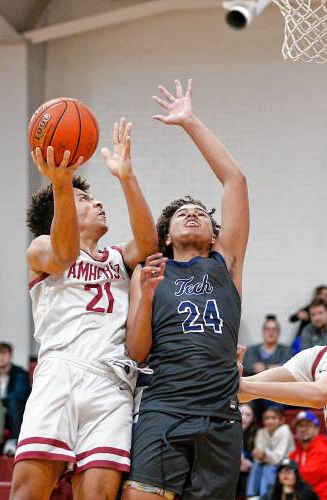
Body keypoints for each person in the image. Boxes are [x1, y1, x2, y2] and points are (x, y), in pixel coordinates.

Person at [9, 118, 158, 500]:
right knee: (28, 493)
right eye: (85, 200)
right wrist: (62, 182)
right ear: (61, 211)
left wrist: (126, 177)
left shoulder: (115, 258)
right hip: (61, 372)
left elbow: (148, 240)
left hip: (112, 382)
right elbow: (62, 255)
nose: (97, 202)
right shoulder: (41, 247)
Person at [123, 78, 249, 500]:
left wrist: (190, 122)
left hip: (220, 415)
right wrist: (147, 296)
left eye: (200, 213)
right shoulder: (150, 270)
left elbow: (235, 181)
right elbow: (137, 352)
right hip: (164, 408)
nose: (192, 214)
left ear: (215, 234)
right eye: (183, 213)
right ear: (167, 235)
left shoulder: (225, 263)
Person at [238, 345, 327, 424]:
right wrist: (230, 375)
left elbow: (319, 395)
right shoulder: (315, 355)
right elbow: (242, 392)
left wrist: (243, 386)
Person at [0, 342, 31, 456]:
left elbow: (20, 395)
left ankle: (13, 440)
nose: (1, 358)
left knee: (14, 403)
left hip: (18, 410)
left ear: (10, 355)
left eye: (4, 354)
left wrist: (0, 403)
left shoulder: (20, 373)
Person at [246, 406, 295, 498]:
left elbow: (278, 457)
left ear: (281, 420)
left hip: (285, 463)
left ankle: (267, 496)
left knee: (268, 468)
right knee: (257, 464)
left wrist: (263, 455)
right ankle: (251, 496)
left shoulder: (285, 431)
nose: (269, 421)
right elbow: (258, 453)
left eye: (273, 418)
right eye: (266, 418)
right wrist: (258, 454)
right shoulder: (261, 432)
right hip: (267, 461)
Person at [289, 411, 327, 500]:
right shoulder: (297, 451)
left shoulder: (322, 449)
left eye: (308, 425)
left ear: (317, 429)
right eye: (300, 426)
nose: (303, 429)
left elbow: (307, 477)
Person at [289, 285, 327, 354]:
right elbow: (292, 319)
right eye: (313, 314)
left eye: (320, 313)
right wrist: (299, 315)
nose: (317, 317)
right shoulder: (309, 308)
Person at [236, 403, 258, 498]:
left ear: (253, 418)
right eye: (241, 413)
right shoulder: (225, 430)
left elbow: (257, 460)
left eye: (248, 415)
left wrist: (250, 464)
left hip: (247, 471)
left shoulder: (256, 434)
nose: (244, 417)